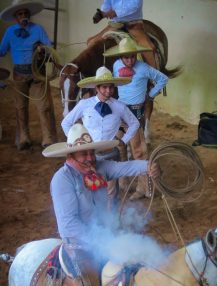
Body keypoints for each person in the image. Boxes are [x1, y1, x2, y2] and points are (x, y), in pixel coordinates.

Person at [42, 122, 160, 286]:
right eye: (83, 154)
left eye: (91, 152)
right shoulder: (62, 180)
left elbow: (122, 168)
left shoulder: (97, 168)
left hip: (102, 240)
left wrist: (147, 167)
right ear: (70, 156)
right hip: (78, 248)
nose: (89, 158)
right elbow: (68, 226)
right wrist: (105, 242)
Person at [61, 66, 140, 208]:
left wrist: (123, 141)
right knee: (89, 189)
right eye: (104, 88)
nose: (108, 91)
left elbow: (135, 123)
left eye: (111, 87)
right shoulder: (84, 105)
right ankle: (93, 222)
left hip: (111, 152)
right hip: (89, 155)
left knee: (112, 191)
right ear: (96, 88)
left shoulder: (119, 107)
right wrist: (75, 143)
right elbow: (66, 123)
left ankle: (112, 223)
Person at [104, 37, 168, 200]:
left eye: (133, 56)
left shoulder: (144, 68)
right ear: (120, 57)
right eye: (126, 57)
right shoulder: (116, 66)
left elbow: (163, 79)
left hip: (135, 113)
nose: (130, 60)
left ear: (136, 55)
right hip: (120, 111)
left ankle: (145, 188)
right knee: (119, 147)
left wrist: (151, 95)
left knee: (139, 151)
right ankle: (123, 182)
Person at [0, 0, 56, 150]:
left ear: (29, 15)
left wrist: (42, 48)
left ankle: (47, 138)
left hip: (38, 72)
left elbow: (49, 47)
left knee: (44, 106)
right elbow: (1, 51)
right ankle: (24, 137)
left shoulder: (38, 29)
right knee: (20, 106)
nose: (23, 16)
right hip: (19, 73)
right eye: (20, 14)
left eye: (25, 13)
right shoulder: (10, 32)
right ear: (15, 17)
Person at [89, 0, 157, 68]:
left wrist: (115, 12)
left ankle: (153, 75)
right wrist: (102, 12)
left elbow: (135, 4)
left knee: (148, 48)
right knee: (91, 42)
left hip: (134, 23)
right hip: (115, 24)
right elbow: (107, 3)